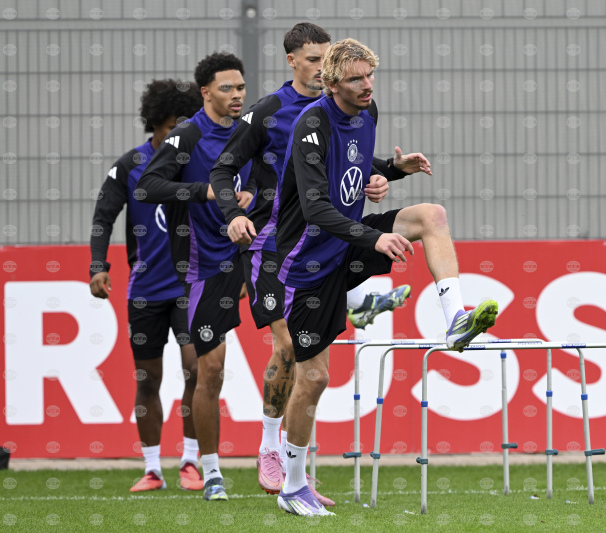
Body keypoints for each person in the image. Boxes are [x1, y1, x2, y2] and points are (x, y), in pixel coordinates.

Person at [274, 38, 498, 516]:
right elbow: (314, 207)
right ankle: (293, 487)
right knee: (314, 378)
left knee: (430, 215)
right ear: (331, 84)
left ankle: (454, 318)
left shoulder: (367, 112)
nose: (367, 85)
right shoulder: (311, 123)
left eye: (370, 75)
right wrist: (373, 238)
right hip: (306, 262)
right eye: (355, 78)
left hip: (347, 242)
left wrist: (390, 172)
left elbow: (353, 170)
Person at [209, 23, 430, 503]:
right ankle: (270, 451)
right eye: (313, 59)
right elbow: (222, 168)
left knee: (312, 364)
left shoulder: (345, 110)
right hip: (270, 246)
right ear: (293, 61)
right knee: (288, 345)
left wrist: (385, 174)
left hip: (320, 244)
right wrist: (232, 214)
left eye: (326, 57)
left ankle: (295, 474)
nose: (322, 66)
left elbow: (349, 166)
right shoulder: (269, 111)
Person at [137, 53, 254, 502]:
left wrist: (253, 193)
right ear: (206, 92)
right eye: (227, 88)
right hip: (205, 267)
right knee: (212, 369)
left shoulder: (249, 131)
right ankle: (211, 472)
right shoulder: (187, 135)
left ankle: (287, 462)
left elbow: (274, 176)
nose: (237, 95)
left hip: (252, 255)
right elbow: (148, 186)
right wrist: (204, 190)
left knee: (291, 351)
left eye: (240, 87)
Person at [88, 79, 205, 492]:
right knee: (148, 380)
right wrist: (98, 266)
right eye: (175, 126)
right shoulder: (130, 165)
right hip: (145, 291)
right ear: (158, 122)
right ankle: (153, 468)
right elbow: (103, 216)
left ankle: (190, 461)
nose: (180, 134)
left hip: (190, 286)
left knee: (196, 369)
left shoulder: (196, 161)